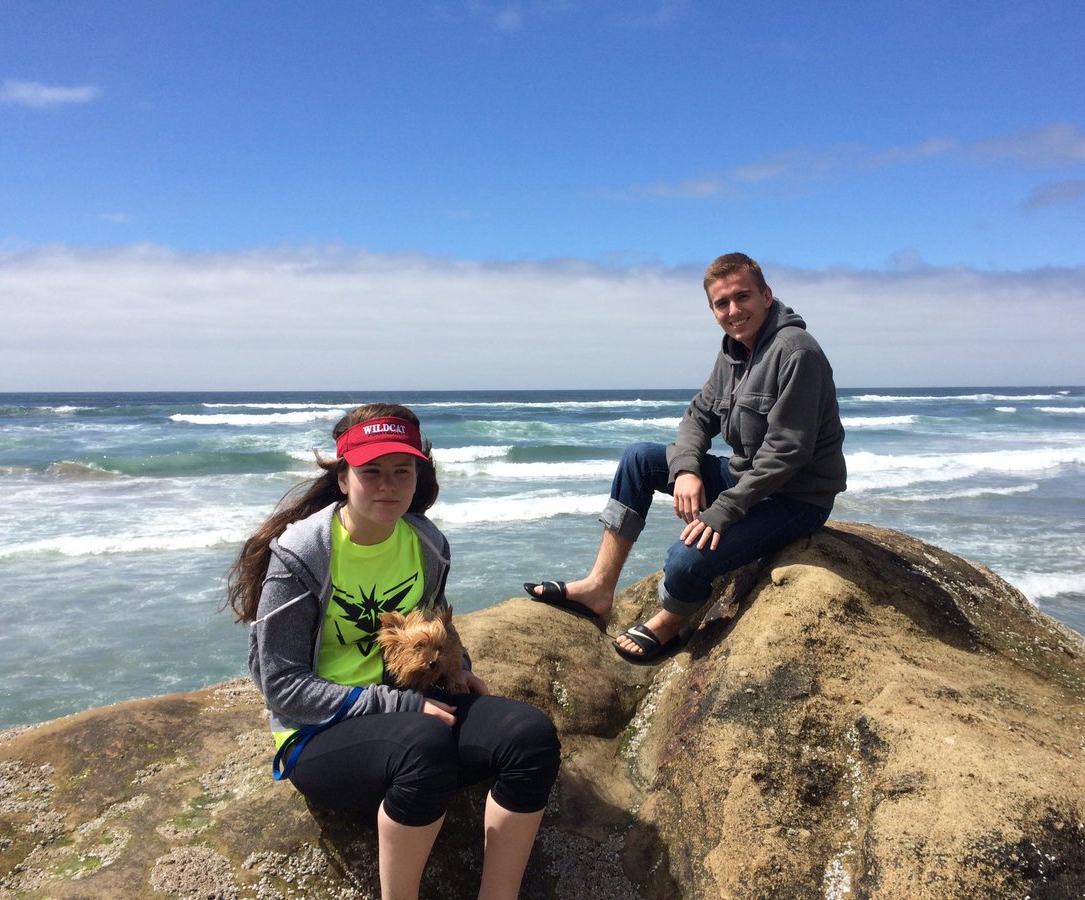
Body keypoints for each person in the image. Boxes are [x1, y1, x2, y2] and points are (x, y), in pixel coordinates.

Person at [227, 403, 560, 900]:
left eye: (401, 471)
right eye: (371, 471)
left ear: (417, 475)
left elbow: (437, 626)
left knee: (531, 736)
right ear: (343, 478)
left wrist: (457, 671)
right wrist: (399, 704)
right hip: (319, 734)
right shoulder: (300, 555)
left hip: (412, 706)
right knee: (422, 742)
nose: (388, 484)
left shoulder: (427, 544)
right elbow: (283, 688)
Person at [524, 252, 847, 661]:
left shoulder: (796, 352)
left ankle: (670, 624)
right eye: (721, 303)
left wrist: (723, 511)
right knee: (639, 459)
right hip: (746, 478)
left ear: (767, 296)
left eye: (742, 297)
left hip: (796, 498)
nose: (733, 310)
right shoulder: (734, 352)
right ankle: (599, 586)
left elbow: (787, 452)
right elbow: (698, 417)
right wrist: (687, 469)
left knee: (684, 560)